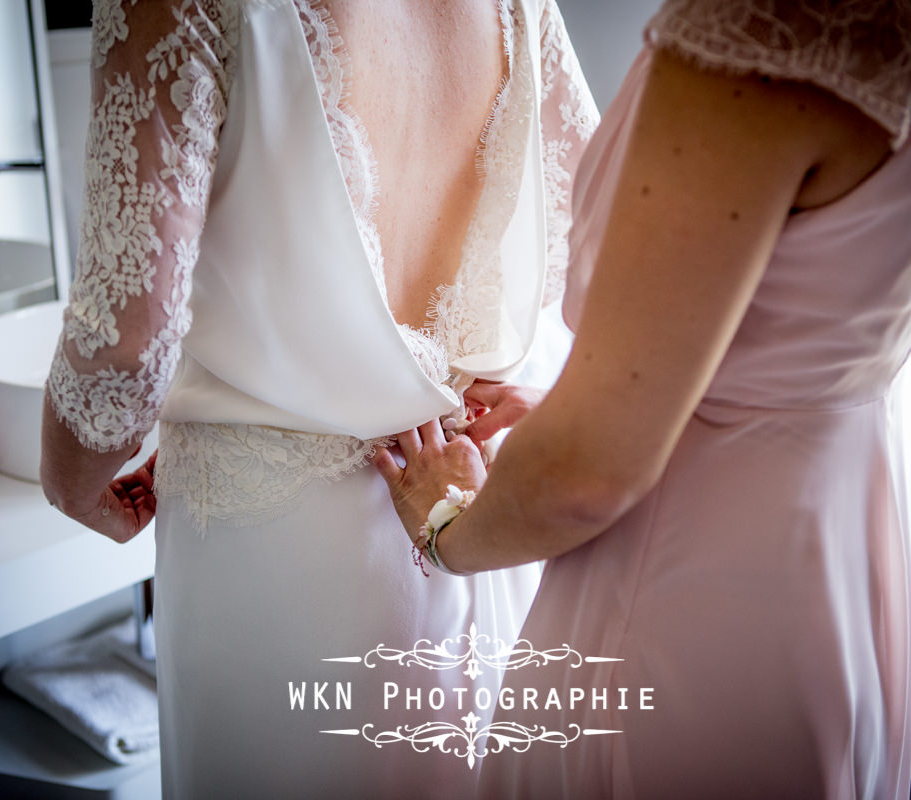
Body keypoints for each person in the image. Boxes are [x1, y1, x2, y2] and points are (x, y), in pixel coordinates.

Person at [372, 1, 911, 797]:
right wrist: (627, 391)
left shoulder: (775, 23)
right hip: (839, 535)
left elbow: (585, 478)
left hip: (693, 577)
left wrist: (444, 527)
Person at [39, 0, 597, 796]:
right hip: (466, 504)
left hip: (274, 570)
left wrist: (73, 486)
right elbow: (605, 219)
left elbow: (122, 351)